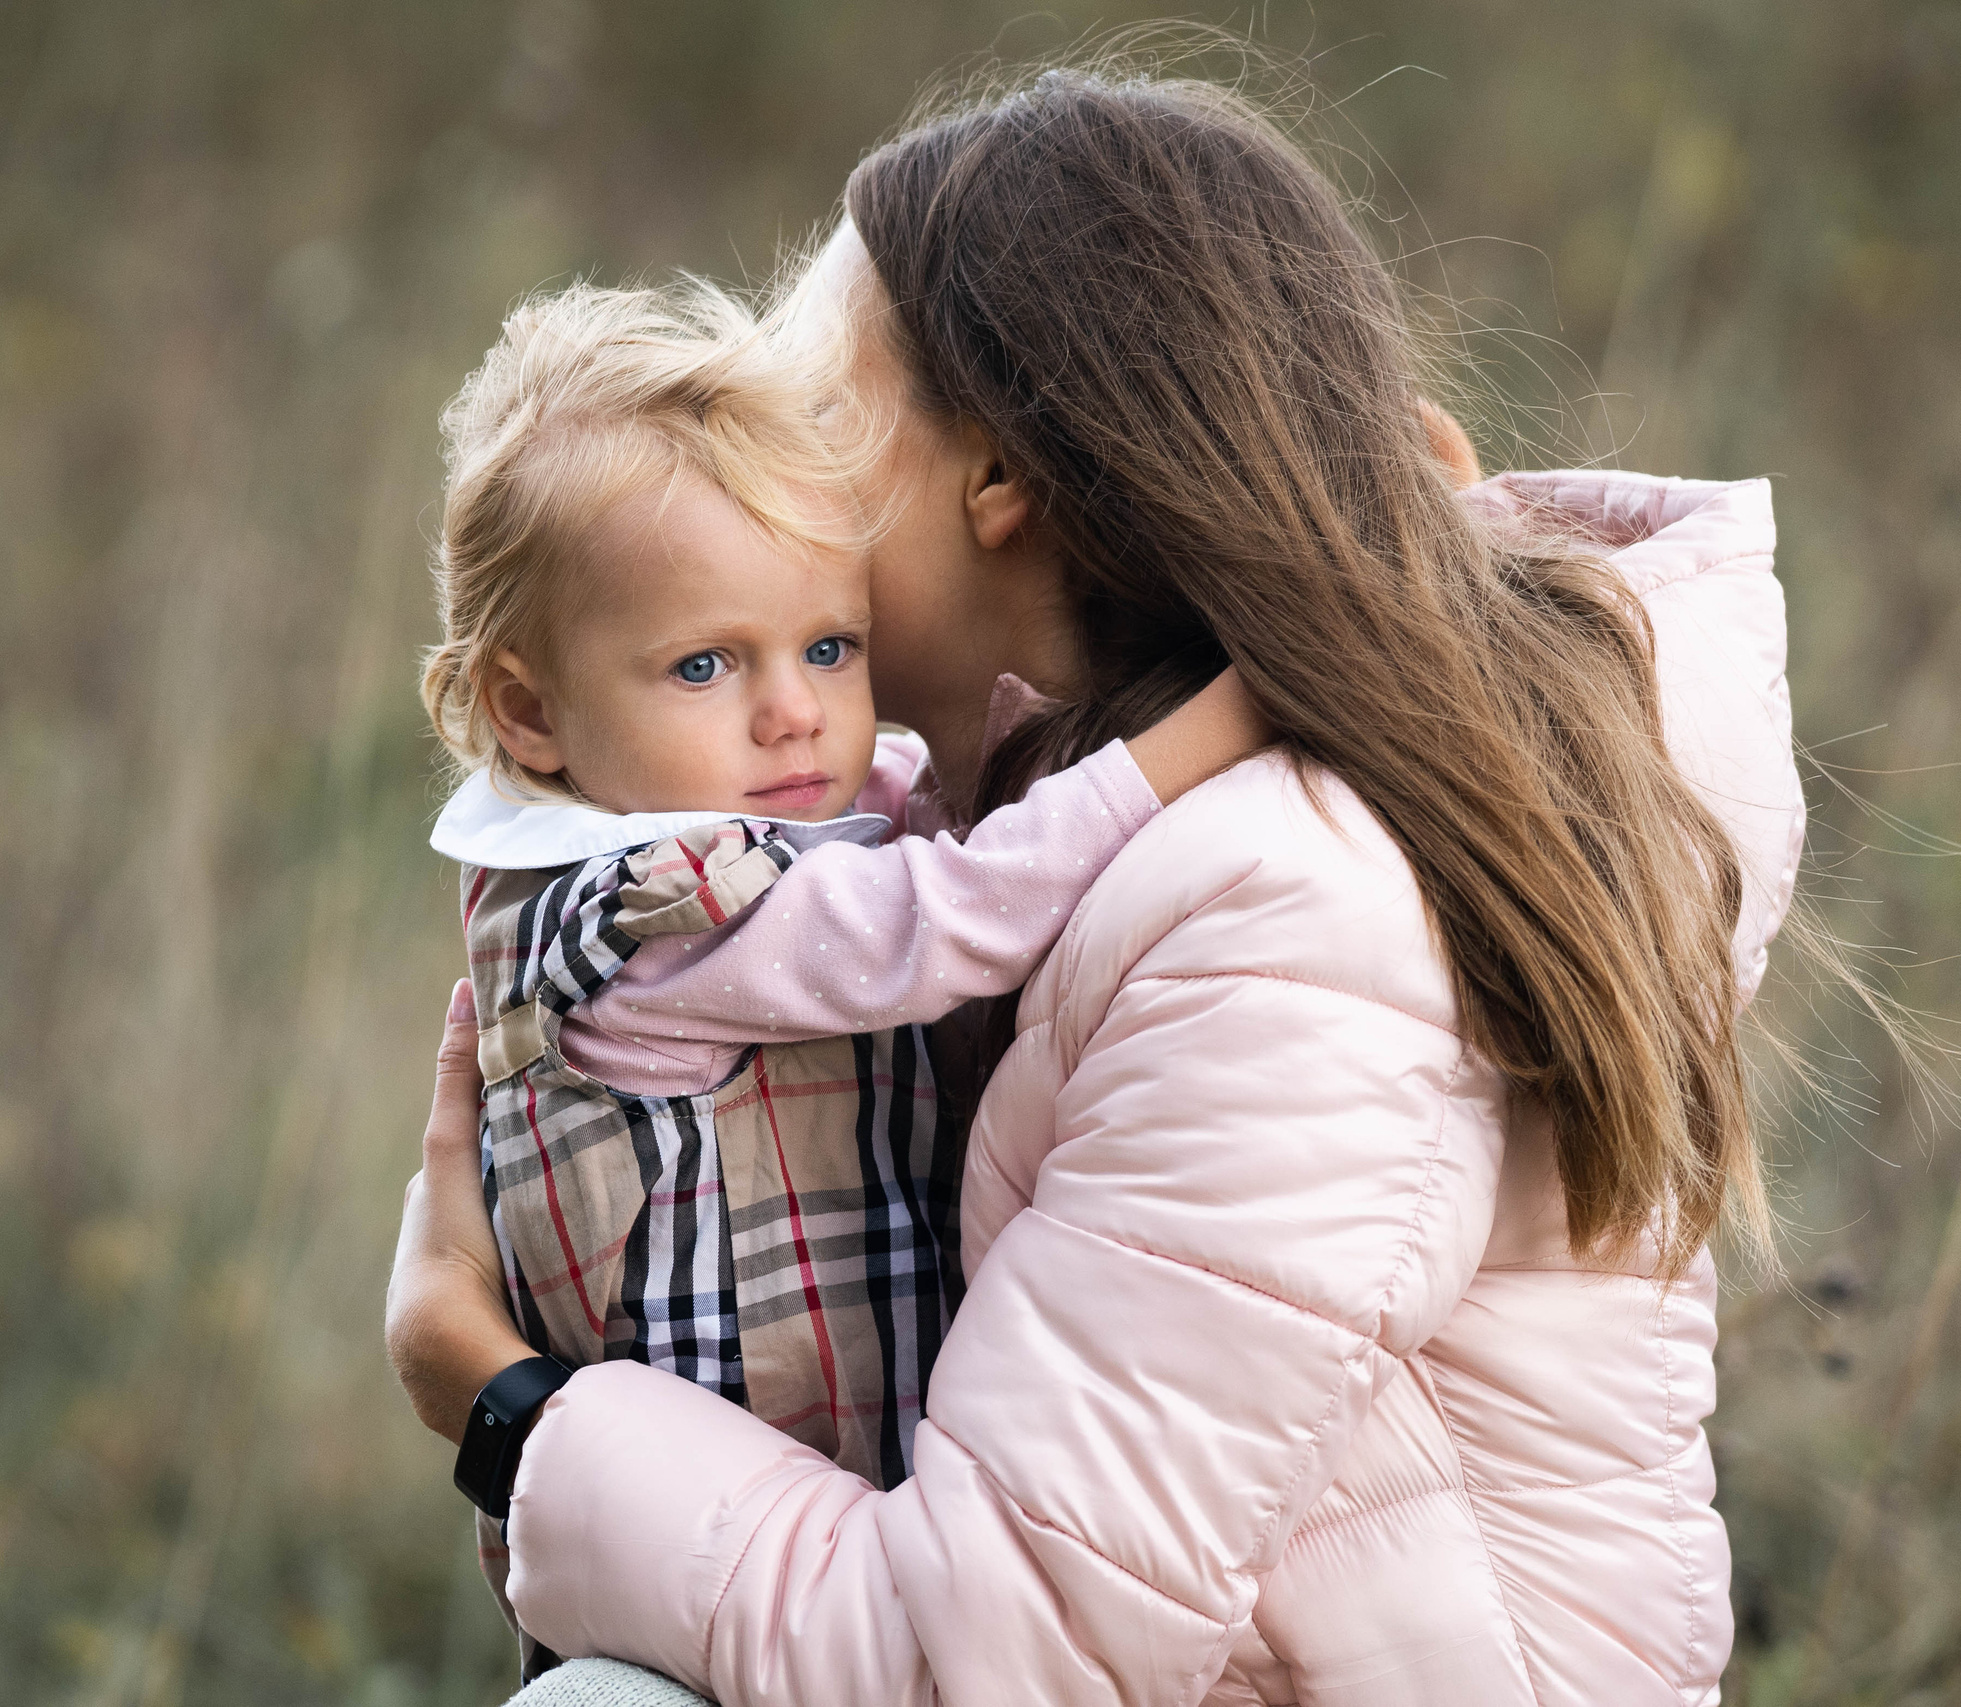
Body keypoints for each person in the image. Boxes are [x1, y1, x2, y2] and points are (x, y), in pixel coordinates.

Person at [389, 66, 1804, 1706]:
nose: (756, 486)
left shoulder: (1291, 923)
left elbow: (973, 1665)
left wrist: (498, 1400)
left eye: (812, 414)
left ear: (999, 484)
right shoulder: (1050, 817)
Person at [415, 277, 1266, 1670]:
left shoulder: (759, 820)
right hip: (693, 1601)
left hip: (787, 1549)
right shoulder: (652, 918)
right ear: (529, 708)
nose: (796, 708)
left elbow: (948, 811)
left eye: (829, 644)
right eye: (705, 665)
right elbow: (958, 907)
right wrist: (1217, 721)